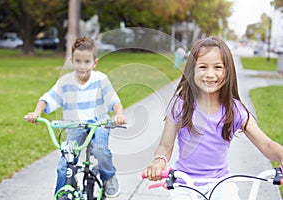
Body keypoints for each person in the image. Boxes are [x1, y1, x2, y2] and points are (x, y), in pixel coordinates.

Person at [143, 36, 283, 200]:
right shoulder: (180, 105)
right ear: (192, 71)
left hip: (221, 182)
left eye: (218, 67)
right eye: (202, 67)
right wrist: (159, 162)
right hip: (184, 182)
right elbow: (165, 145)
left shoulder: (235, 109)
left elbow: (266, 145)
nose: (210, 74)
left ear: (227, 71)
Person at [26, 36, 126, 198]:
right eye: (77, 61)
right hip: (75, 126)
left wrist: (119, 114)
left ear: (95, 62)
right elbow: (47, 98)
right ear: (71, 60)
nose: (82, 66)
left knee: (101, 150)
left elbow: (114, 101)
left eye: (87, 62)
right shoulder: (65, 82)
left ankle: (109, 177)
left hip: (98, 124)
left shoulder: (100, 80)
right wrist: (36, 113)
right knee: (64, 164)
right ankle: (62, 194)